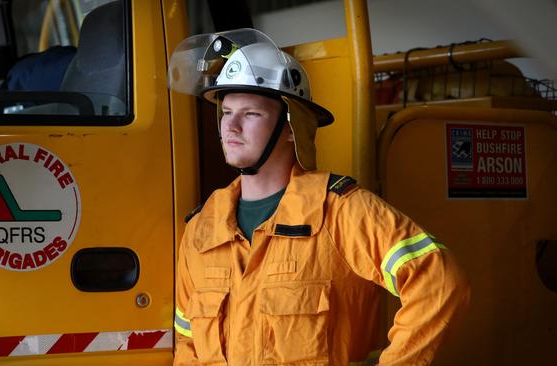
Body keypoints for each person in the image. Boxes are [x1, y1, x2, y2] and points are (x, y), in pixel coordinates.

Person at [168, 28, 469, 366]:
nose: (231, 127)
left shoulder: (340, 211)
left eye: (251, 113)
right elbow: (188, 340)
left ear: (291, 128)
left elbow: (439, 282)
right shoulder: (202, 229)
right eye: (226, 112)